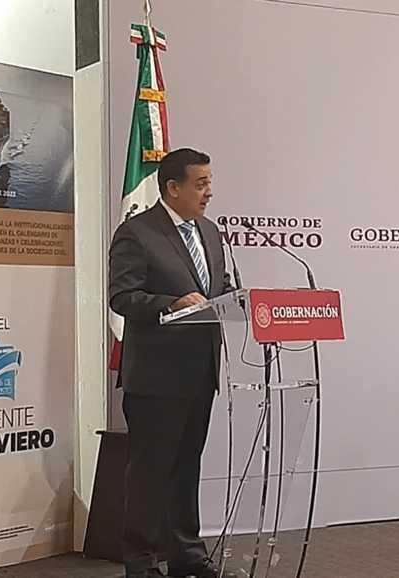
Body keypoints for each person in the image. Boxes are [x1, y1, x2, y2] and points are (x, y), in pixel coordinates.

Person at [109, 148, 234, 578]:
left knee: (186, 469)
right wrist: (170, 303)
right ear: (173, 188)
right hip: (156, 379)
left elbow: (220, 288)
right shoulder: (137, 233)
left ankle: (187, 555)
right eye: (200, 184)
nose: (208, 192)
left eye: (210, 183)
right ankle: (141, 562)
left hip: (200, 374)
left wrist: (236, 299)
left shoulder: (210, 232)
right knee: (149, 473)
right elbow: (122, 297)